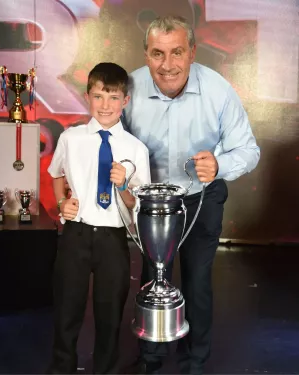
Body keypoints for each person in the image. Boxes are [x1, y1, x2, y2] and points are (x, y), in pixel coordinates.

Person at [122, 15, 260, 375]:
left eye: (177, 52)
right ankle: (150, 358)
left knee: (197, 281)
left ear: (193, 52)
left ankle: (194, 362)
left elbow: (248, 150)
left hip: (201, 197)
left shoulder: (218, 90)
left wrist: (219, 166)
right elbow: (110, 142)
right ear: (146, 53)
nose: (167, 65)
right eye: (157, 53)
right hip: (151, 204)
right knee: (153, 277)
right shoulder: (130, 88)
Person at [47, 62, 151, 374]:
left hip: (112, 240)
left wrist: (122, 186)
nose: (105, 106)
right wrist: (62, 202)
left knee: (109, 314)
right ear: (87, 97)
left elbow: (137, 205)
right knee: (67, 310)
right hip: (76, 236)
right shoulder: (71, 138)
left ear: (125, 101)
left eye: (114, 98)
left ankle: (105, 369)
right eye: (98, 97)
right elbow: (56, 174)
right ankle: (61, 367)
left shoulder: (136, 149)